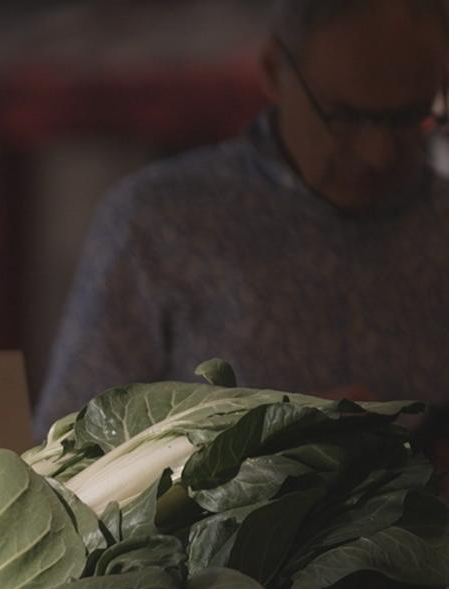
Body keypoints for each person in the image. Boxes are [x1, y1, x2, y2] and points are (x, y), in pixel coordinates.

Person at [35, 0, 449, 433]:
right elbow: (66, 453)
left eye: (408, 117)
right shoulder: (162, 223)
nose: (377, 155)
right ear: (274, 69)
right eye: (344, 117)